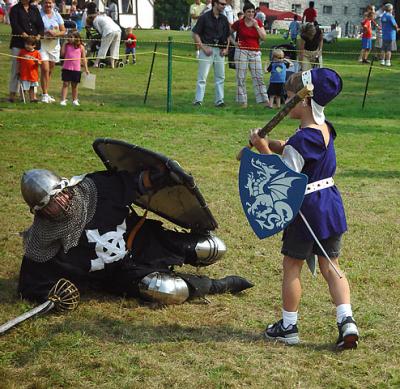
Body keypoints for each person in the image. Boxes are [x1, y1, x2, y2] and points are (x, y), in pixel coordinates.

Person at [18, 166, 253, 304]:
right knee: (165, 290)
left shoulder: (95, 189)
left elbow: (135, 182)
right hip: (116, 274)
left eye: (61, 193)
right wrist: (52, 297)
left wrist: (160, 175)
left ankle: (188, 255)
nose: (60, 201)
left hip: (141, 241)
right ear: (40, 211)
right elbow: (31, 285)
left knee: (211, 247)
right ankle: (218, 286)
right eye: (50, 202)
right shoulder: (42, 240)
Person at [249, 68, 359, 350]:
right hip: (329, 204)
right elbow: (298, 151)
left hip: (306, 209)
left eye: (288, 97)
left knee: (292, 266)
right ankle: (347, 320)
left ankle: (288, 326)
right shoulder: (324, 129)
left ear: (304, 101)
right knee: (330, 265)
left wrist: (262, 148)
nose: (286, 102)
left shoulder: (301, 140)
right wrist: (274, 144)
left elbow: (285, 178)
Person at [192, 0, 230, 107]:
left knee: (220, 77)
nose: (224, 6)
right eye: (222, 4)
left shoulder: (224, 19)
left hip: (220, 51)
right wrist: (203, 47)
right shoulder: (204, 17)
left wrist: (226, 49)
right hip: (207, 49)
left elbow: (227, 36)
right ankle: (198, 100)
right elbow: (195, 34)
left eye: (225, 4)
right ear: (215, 4)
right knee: (202, 76)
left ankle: (219, 101)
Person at [231, 1, 269, 108]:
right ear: (244, 13)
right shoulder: (239, 23)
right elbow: (228, 33)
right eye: (248, 12)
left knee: (258, 76)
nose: (251, 14)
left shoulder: (258, 22)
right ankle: (242, 101)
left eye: (252, 12)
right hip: (241, 51)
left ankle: (263, 100)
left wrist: (256, 26)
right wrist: (234, 43)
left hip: (255, 51)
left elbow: (264, 37)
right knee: (241, 76)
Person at [8, 0, 44, 102]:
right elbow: (14, 25)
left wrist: (39, 35)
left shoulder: (35, 9)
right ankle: (12, 94)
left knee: (33, 69)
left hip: (33, 45)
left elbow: (40, 25)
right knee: (16, 69)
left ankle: (33, 96)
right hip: (19, 43)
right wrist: (23, 33)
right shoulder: (15, 9)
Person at [39, 0, 66, 103]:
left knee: (50, 70)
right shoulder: (39, 14)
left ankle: (45, 92)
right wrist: (45, 32)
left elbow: (63, 31)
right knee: (45, 69)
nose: (48, 5)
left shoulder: (57, 15)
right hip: (43, 45)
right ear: (43, 4)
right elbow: (35, 30)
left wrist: (56, 34)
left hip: (54, 46)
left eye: (50, 2)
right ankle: (45, 94)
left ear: (53, 3)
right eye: (46, 2)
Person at [59, 31, 89, 106]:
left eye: (71, 37)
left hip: (76, 69)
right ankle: (63, 100)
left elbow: (84, 58)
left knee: (74, 85)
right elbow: (62, 54)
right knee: (65, 84)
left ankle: (75, 100)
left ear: (76, 38)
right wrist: (64, 44)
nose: (69, 39)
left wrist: (86, 69)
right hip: (66, 68)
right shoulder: (67, 46)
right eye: (68, 37)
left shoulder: (81, 47)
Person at [17, 35, 42, 102]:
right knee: (23, 87)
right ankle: (22, 98)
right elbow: (19, 62)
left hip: (32, 74)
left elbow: (39, 63)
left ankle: (32, 98)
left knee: (32, 87)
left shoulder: (36, 53)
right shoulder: (22, 51)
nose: (27, 46)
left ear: (34, 46)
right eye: (26, 44)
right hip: (24, 73)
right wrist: (18, 70)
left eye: (29, 45)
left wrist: (36, 61)